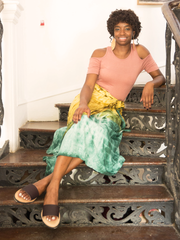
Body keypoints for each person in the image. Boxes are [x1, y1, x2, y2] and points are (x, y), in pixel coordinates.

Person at [14, 9, 165, 228]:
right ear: (112, 31)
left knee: (97, 133)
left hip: (111, 108)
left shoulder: (140, 52)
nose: (122, 33)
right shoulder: (100, 53)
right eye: (117, 29)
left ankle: (47, 182)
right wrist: (83, 103)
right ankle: (53, 191)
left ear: (134, 31)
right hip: (89, 101)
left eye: (127, 28)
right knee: (82, 126)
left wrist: (151, 83)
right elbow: (88, 85)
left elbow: (159, 76)